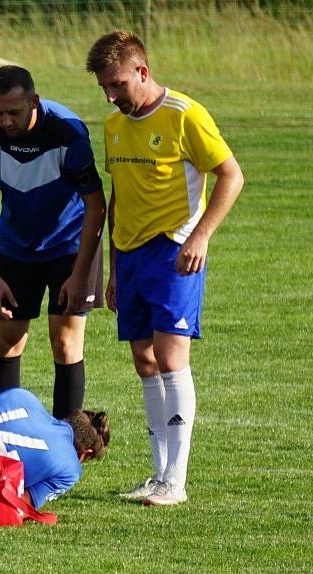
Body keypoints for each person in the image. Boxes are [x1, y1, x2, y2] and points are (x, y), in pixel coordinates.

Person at [86, 31, 244, 506]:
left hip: (174, 250)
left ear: (142, 71)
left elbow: (231, 175)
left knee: (172, 358)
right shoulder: (115, 124)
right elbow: (120, 196)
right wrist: (114, 267)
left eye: (117, 84)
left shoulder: (185, 115)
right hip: (130, 256)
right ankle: (157, 476)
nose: (112, 96)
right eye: (104, 89)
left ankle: (175, 480)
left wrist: (200, 236)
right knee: (144, 361)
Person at [0, 65, 107, 419]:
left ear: (34, 101)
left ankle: (69, 443)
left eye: (13, 112)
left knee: (65, 342)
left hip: (71, 246)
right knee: (6, 341)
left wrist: (80, 272)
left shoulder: (66, 131)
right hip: (16, 248)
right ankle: (1, 434)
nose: (5, 121)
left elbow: (96, 204)